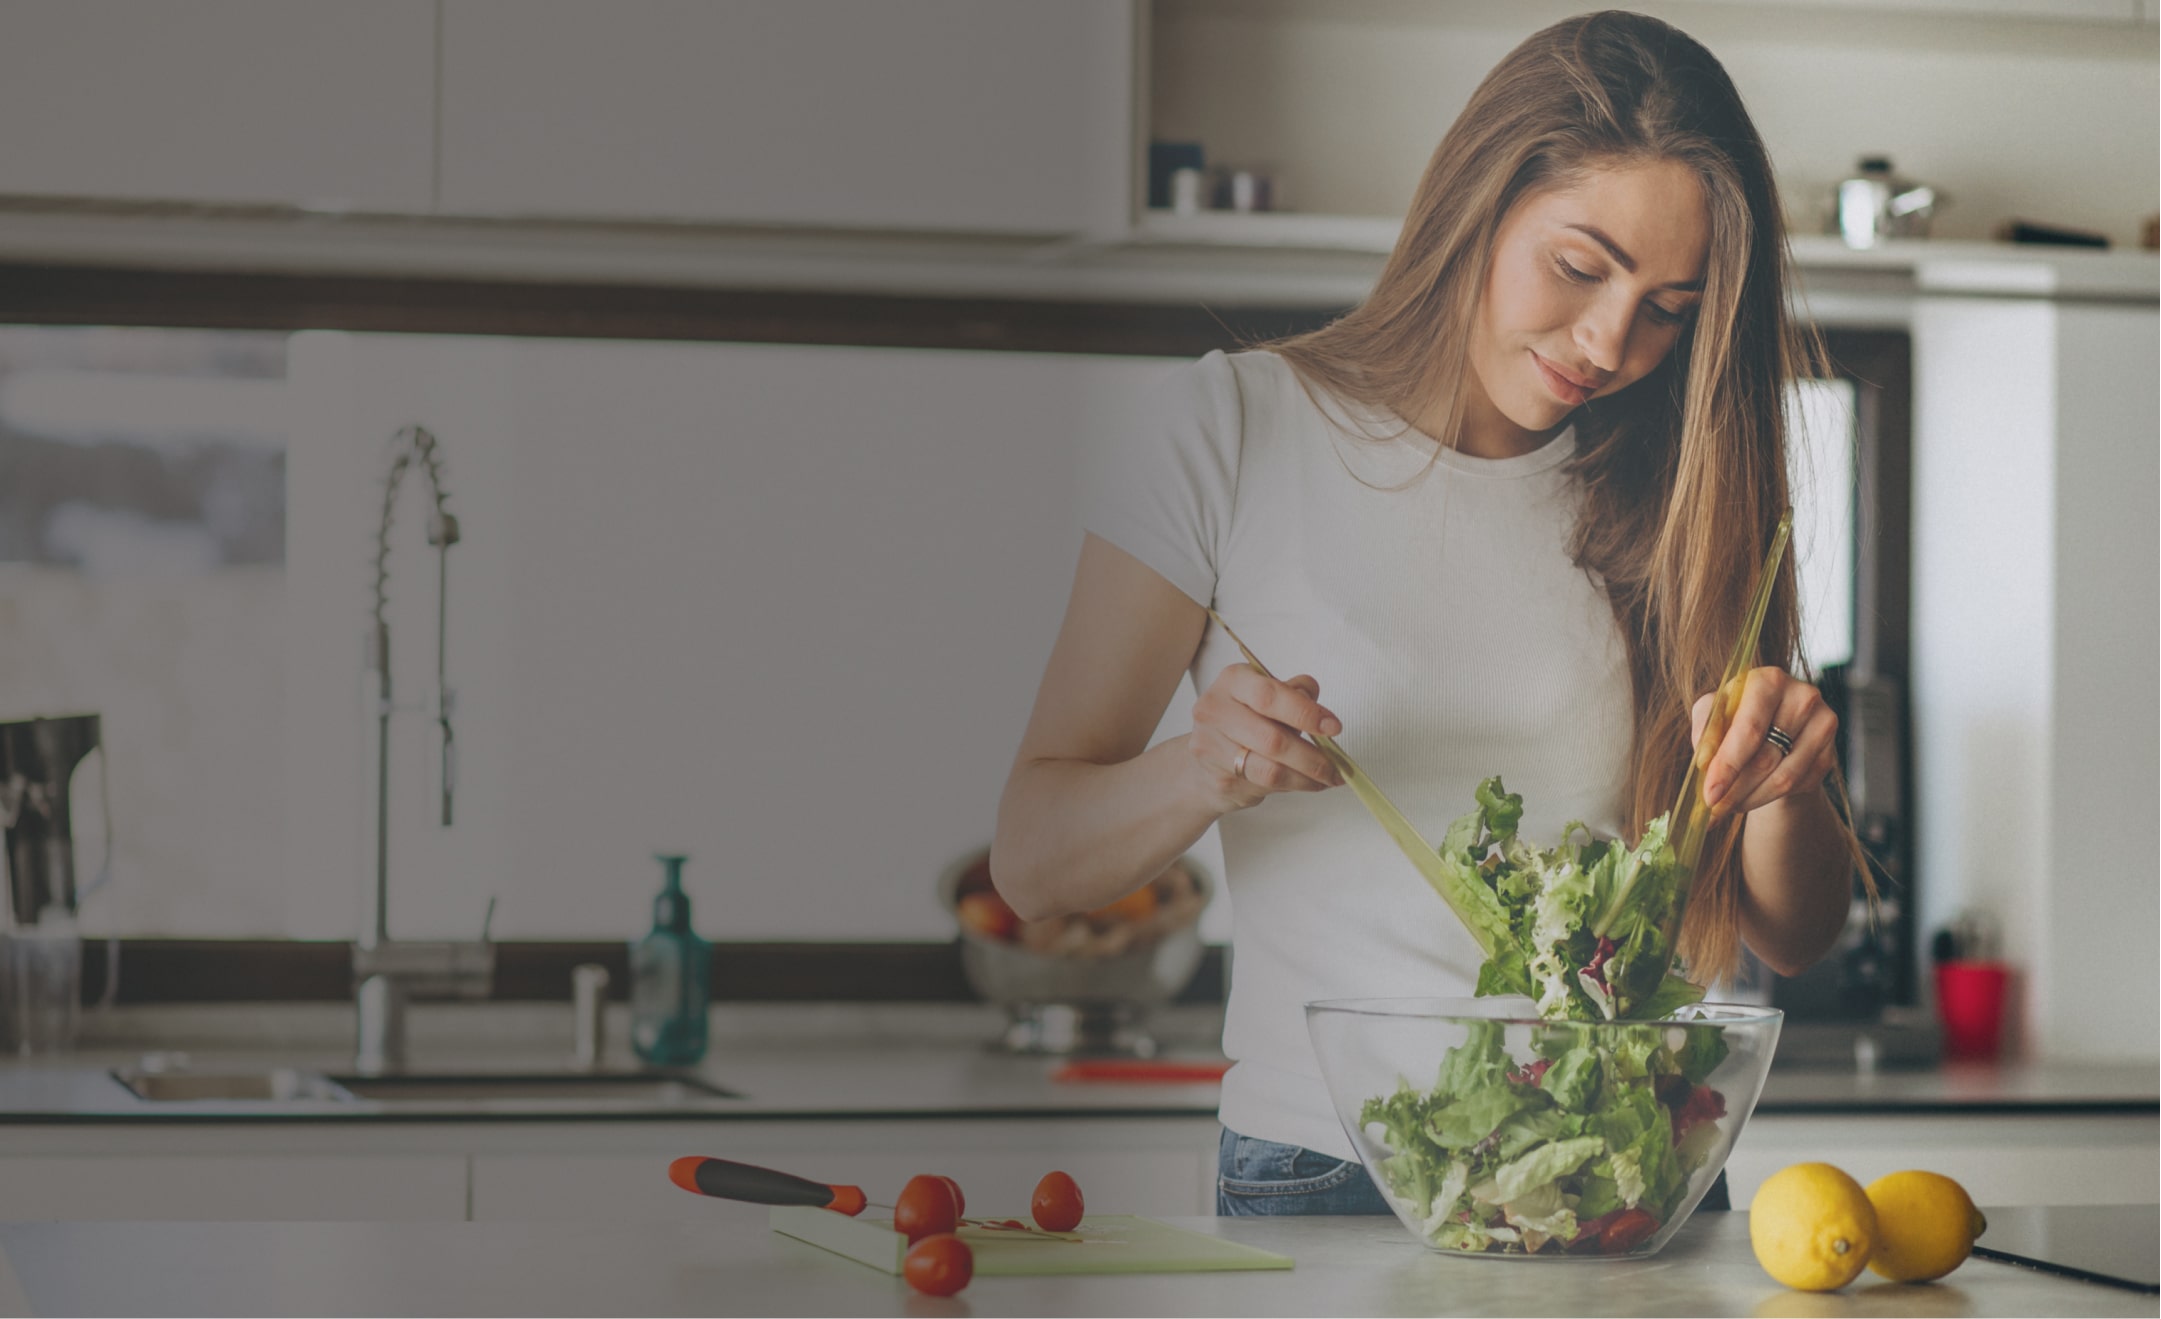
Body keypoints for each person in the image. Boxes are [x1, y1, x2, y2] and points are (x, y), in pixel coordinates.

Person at [992, 11, 1863, 1217]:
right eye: (1578, 267)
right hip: (1333, 1168)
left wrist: (1790, 781)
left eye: (1670, 306)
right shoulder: (1231, 430)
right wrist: (1201, 769)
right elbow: (1031, 859)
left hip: (1624, 1172)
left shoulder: (1677, 491)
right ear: (1478, 203)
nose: (1612, 342)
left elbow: (1797, 929)